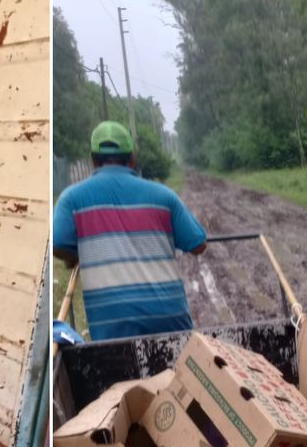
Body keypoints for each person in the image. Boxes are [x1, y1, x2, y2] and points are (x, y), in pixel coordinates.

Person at [52, 121, 208, 341]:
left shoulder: (71, 198)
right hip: (170, 319)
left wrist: (75, 256)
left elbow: (58, 245)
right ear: (132, 159)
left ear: (93, 159)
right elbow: (199, 244)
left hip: (111, 328)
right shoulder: (164, 196)